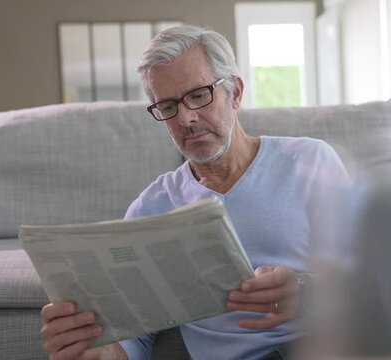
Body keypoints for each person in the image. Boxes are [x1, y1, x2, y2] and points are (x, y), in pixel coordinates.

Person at [39, 25, 351, 360]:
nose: (186, 118)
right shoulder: (153, 207)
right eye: (168, 106)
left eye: (199, 95)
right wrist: (98, 354)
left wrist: (306, 290)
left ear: (235, 92)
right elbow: (136, 336)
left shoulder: (310, 161)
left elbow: (370, 277)